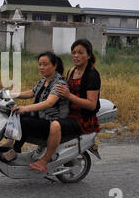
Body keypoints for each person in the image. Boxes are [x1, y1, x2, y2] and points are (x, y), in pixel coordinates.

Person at [29, 39, 101, 173]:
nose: (76, 55)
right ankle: (42, 145)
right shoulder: (72, 71)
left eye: (80, 53)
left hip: (83, 118)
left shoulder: (92, 75)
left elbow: (92, 105)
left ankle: (44, 161)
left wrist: (70, 96)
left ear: (88, 55)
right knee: (40, 117)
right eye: (73, 52)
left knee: (55, 125)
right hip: (69, 112)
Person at [1, 51, 69, 161]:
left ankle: (15, 151)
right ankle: (9, 141)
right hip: (40, 116)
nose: (41, 67)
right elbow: (31, 92)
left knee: (24, 122)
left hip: (52, 122)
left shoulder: (59, 84)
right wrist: (11, 94)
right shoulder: (44, 80)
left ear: (55, 65)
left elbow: (49, 103)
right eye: (40, 64)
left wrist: (25, 108)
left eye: (45, 64)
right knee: (14, 113)